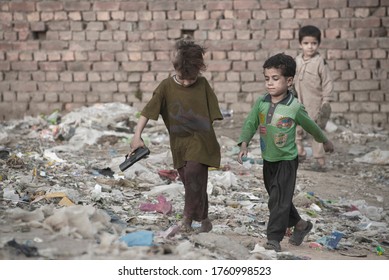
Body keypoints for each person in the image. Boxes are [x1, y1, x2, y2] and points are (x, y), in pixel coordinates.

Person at [237, 53, 334, 252]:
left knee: (279, 201)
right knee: (277, 199)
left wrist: (324, 140)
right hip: (268, 159)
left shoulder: (295, 107)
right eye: (267, 79)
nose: (270, 84)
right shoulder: (261, 102)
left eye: (275, 79)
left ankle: (274, 238)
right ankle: (301, 225)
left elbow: (311, 126)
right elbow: (250, 123)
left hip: (287, 161)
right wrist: (244, 143)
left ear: (289, 81)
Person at [129, 39, 223, 233]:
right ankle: (204, 219)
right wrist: (137, 135)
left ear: (199, 69)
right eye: (183, 77)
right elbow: (147, 112)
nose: (188, 82)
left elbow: (212, 115)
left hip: (201, 141)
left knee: (193, 175)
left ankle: (187, 220)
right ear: (176, 69)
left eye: (192, 77)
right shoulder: (166, 87)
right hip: (179, 145)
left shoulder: (203, 85)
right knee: (192, 182)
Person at [294, 25, 335, 171]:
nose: (310, 47)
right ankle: (299, 151)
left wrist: (326, 101)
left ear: (318, 44)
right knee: (295, 127)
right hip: (299, 101)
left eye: (313, 43)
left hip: (315, 103)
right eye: (306, 43)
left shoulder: (320, 62)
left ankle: (320, 161)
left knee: (315, 130)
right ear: (300, 44)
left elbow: (327, 82)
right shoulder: (297, 61)